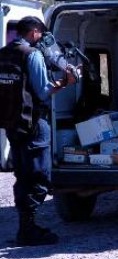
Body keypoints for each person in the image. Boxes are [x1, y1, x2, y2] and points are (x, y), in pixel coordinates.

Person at [0, 16, 76, 246]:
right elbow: (43, 91)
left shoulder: (3, 54)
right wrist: (66, 82)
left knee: (22, 174)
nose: (41, 38)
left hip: (12, 124)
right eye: (40, 34)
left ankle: (26, 225)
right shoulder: (32, 55)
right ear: (33, 31)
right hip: (33, 123)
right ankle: (28, 228)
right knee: (39, 175)